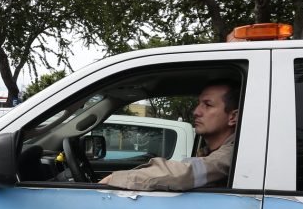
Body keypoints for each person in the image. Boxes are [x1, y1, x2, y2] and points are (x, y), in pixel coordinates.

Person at [98, 80, 239, 191]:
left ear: (233, 117)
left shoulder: (234, 154)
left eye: (207, 105)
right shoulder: (208, 152)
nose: (196, 111)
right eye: (198, 104)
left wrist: (115, 179)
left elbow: (185, 173)